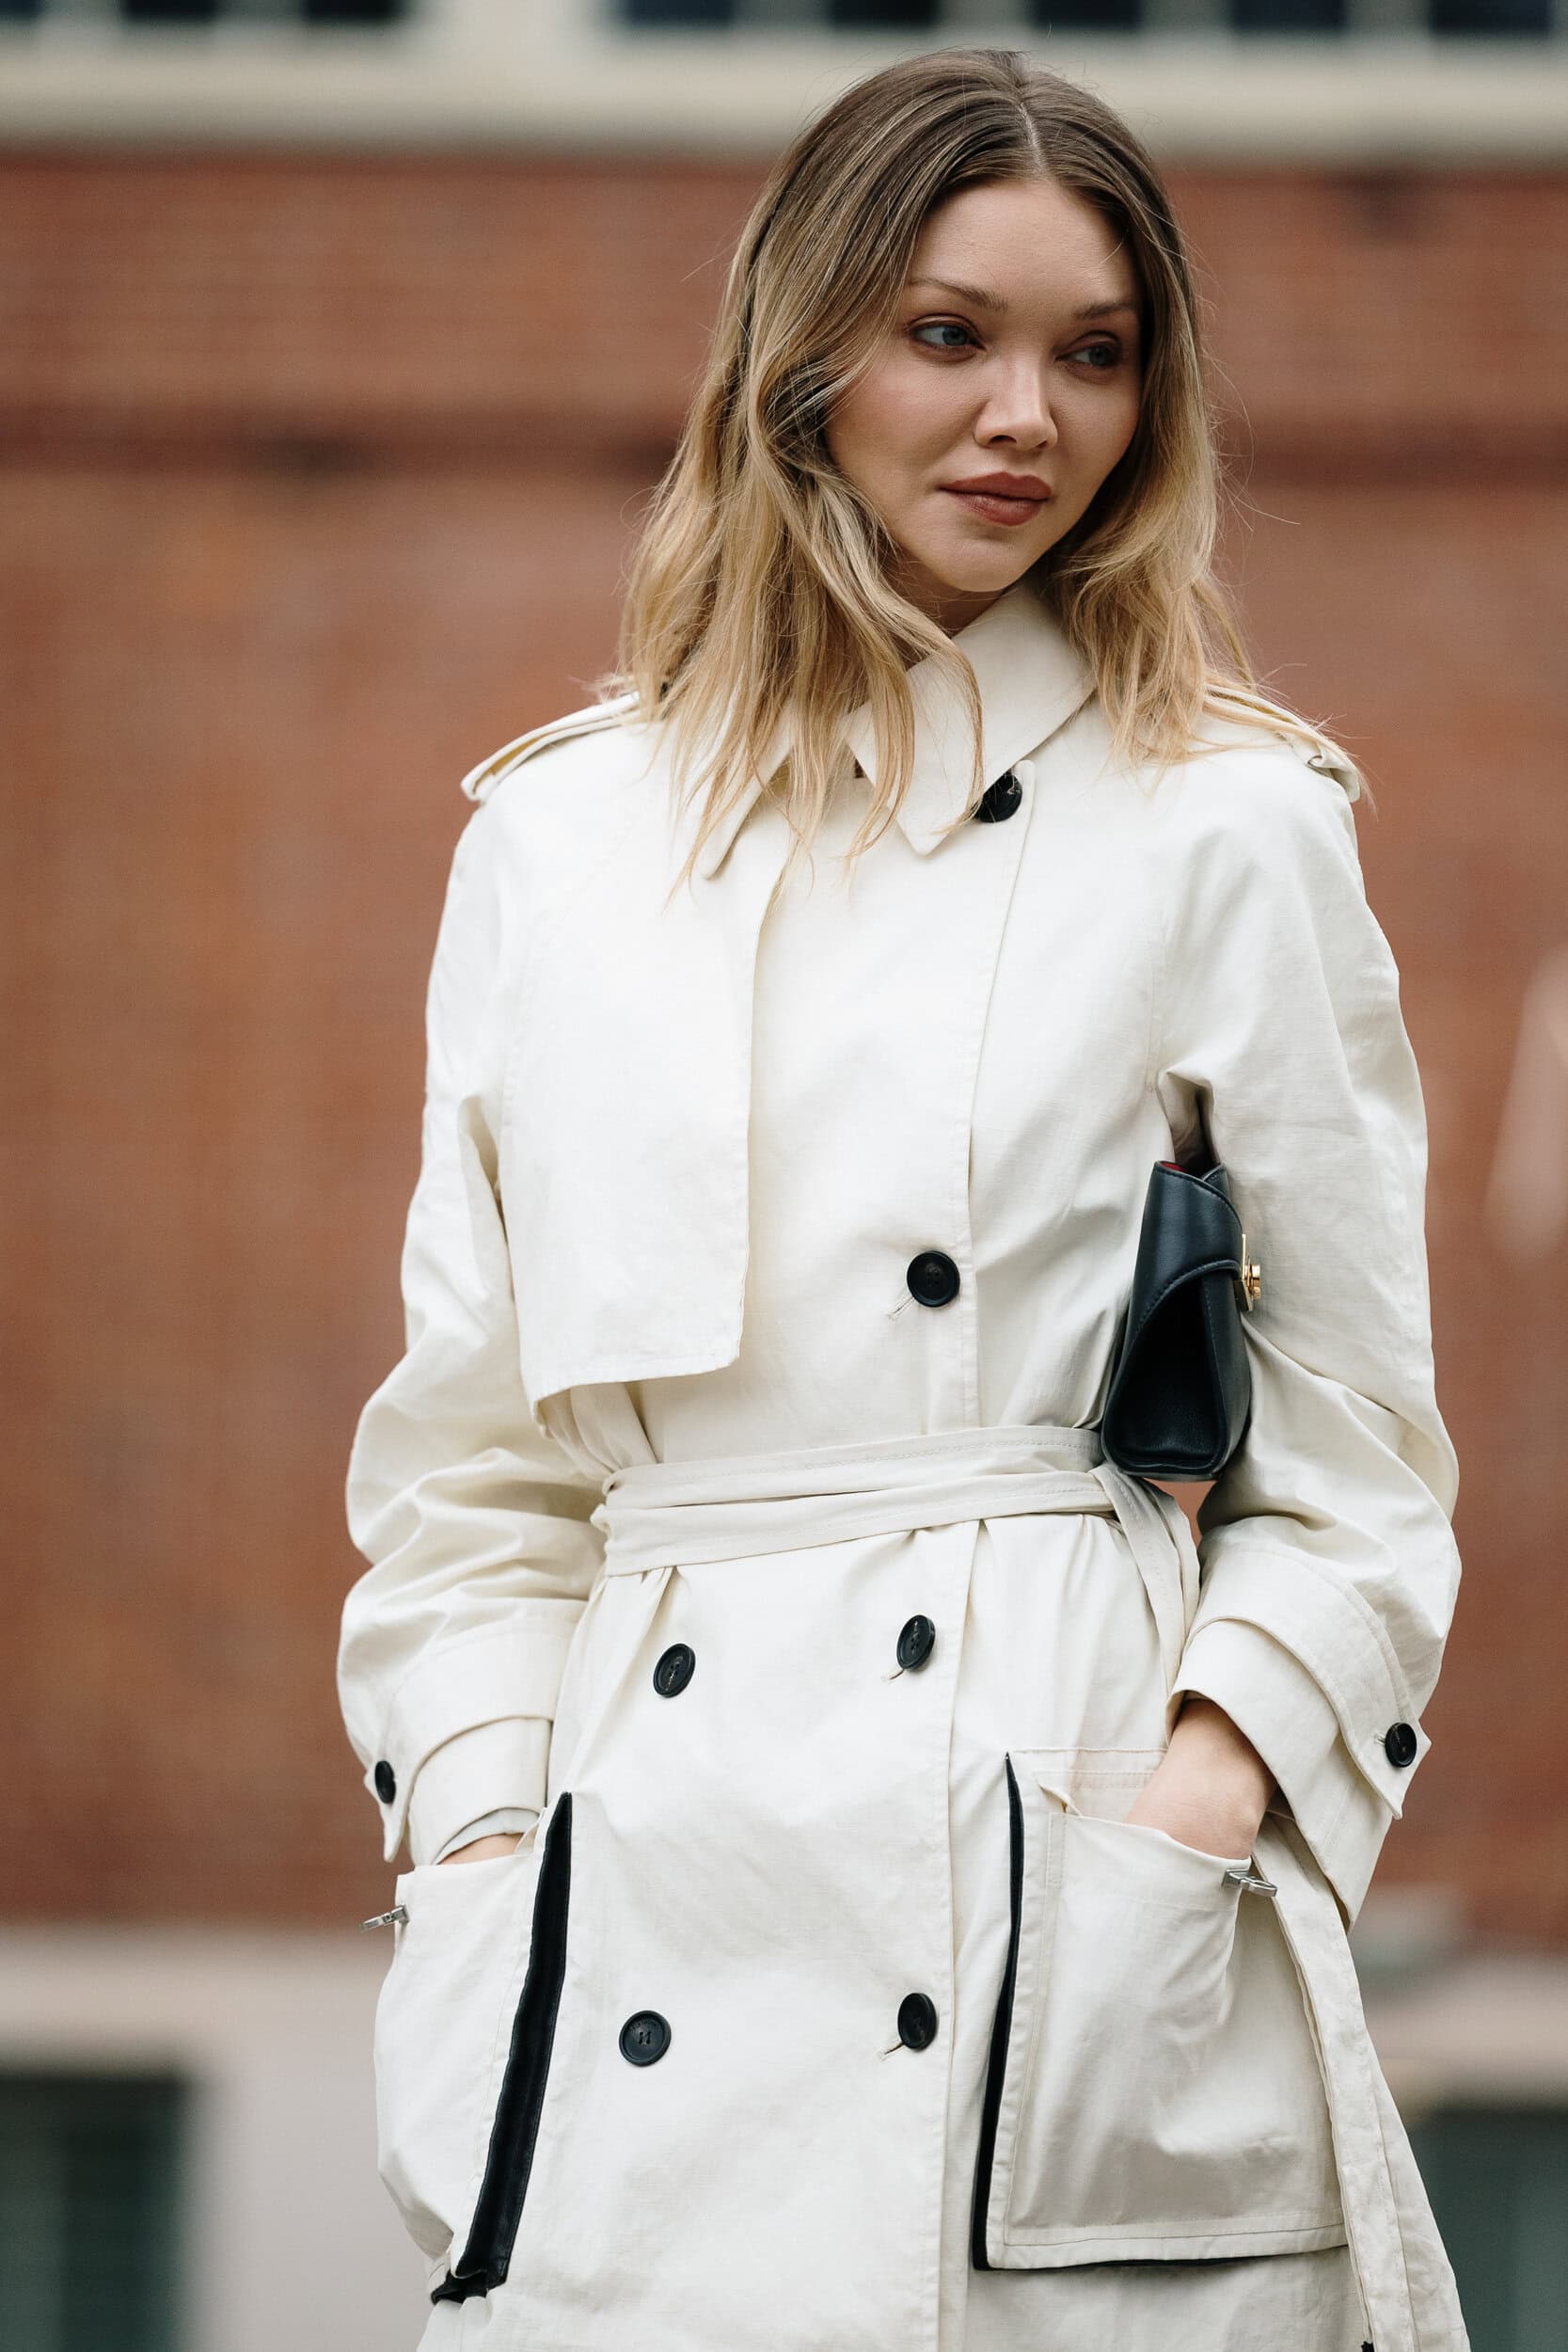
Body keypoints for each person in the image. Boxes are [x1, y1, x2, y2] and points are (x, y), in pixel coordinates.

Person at [338, 46, 1467, 2352]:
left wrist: (1192, 1806)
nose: (1026, 418)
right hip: (636, 1916)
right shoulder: (562, 841)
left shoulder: (1229, 824)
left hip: (1058, 1884)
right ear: (805, 355)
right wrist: (479, 1848)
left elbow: (1360, 1456)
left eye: (1095, 353)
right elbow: (471, 1471)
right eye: (951, 334)